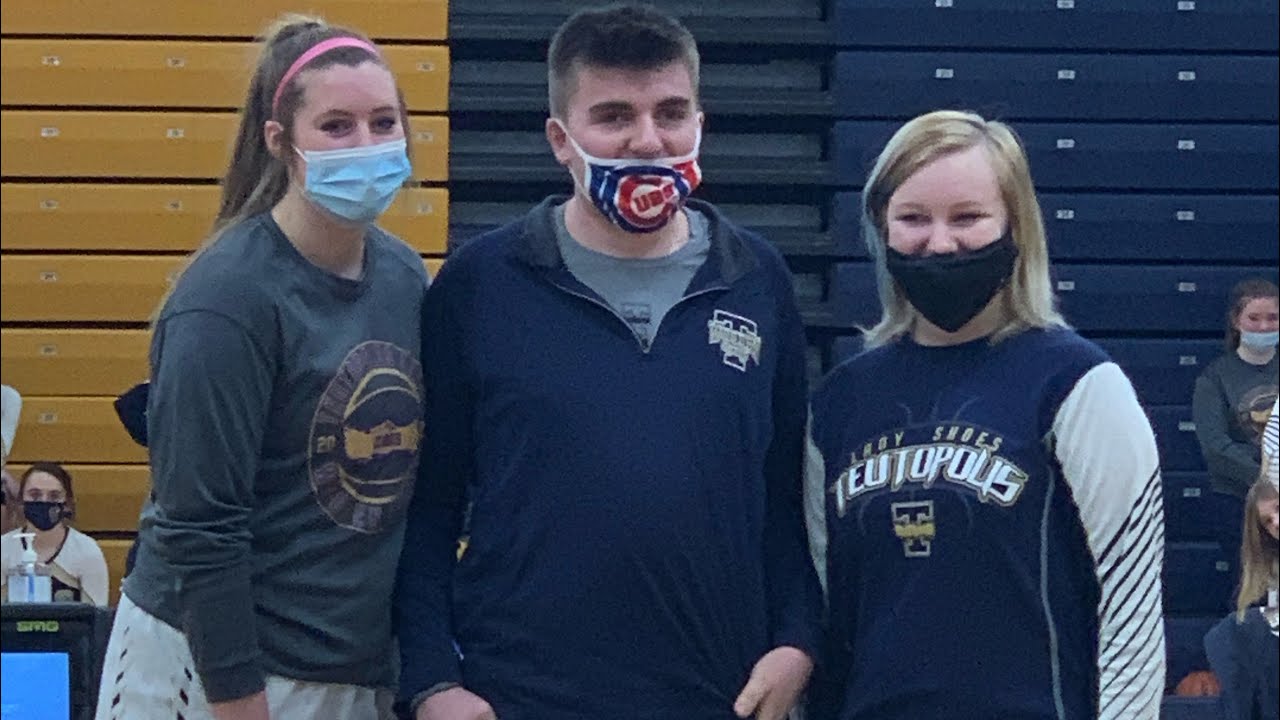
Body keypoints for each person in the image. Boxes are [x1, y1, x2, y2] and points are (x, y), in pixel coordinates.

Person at [394, 5, 821, 720]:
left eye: (671, 112)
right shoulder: (479, 283)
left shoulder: (757, 277)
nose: (648, 140)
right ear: (561, 139)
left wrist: (798, 641)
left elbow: (783, 501)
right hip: (517, 696)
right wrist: (433, 681)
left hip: (720, 696)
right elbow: (429, 506)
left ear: (700, 124)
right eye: (615, 116)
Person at [93, 14, 429, 720]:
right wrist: (238, 700)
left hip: (350, 668)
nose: (365, 144)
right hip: (215, 670)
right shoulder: (228, 299)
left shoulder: (402, 276)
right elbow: (200, 529)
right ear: (281, 143)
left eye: (382, 121)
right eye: (336, 126)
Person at [803, 110, 1166, 720]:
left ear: (1015, 227)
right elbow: (822, 611)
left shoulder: (1077, 383)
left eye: (968, 218)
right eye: (913, 219)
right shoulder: (840, 402)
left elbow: (1130, 613)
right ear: (880, 230)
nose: (939, 244)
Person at [1193, 279, 1279, 585]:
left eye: (1272, 318)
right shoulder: (1214, 378)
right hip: (1237, 501)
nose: (1264, 326)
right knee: (1249, 589)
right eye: (1253, 318)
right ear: (1236, 321)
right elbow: (1216, 447)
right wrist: (1268, 479)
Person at [1204, 479, 1279, 720]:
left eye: (1278, 509)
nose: (1275, 523)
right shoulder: (1260, 579)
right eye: (1267, 521)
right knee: (1234, 629)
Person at [1, 462, 109, 605]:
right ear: (21, 500)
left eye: (54, 496)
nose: (44, 502)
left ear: (67, 503)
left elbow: (97, 618)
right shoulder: (4, 548)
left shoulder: (87, 551)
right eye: (35, 495)